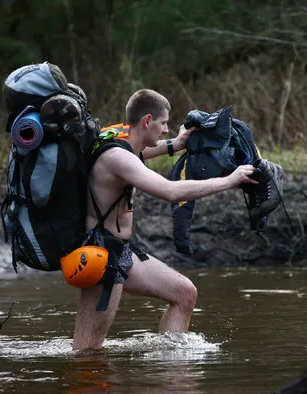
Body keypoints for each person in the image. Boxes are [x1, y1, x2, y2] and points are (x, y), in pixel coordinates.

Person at [73, 89, 258, 350]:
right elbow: (170, 191)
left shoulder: (115, 138)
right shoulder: (119, 158)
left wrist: (178, 143)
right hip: (101, 258)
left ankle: (171, 376)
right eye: (163, 124)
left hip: (121, 252)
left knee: (184, 294)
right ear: (147, 120)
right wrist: (229, 181)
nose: (166, 130)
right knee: (87, 350)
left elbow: (142, 152)